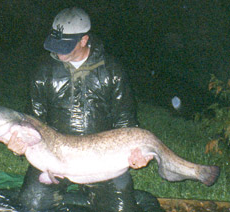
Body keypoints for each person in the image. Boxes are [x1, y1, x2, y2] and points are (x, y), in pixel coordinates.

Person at [8, 7, 161, 212]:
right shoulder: (43, 70)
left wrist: (136, 153)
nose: (59, 51)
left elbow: (125, 121)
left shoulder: (112, 71)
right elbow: (33, 118)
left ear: (83, 40)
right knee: (30, 206)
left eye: (65, 46)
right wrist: (20, 144)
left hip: (102, 159)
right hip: (54, 155)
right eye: (56, 44)